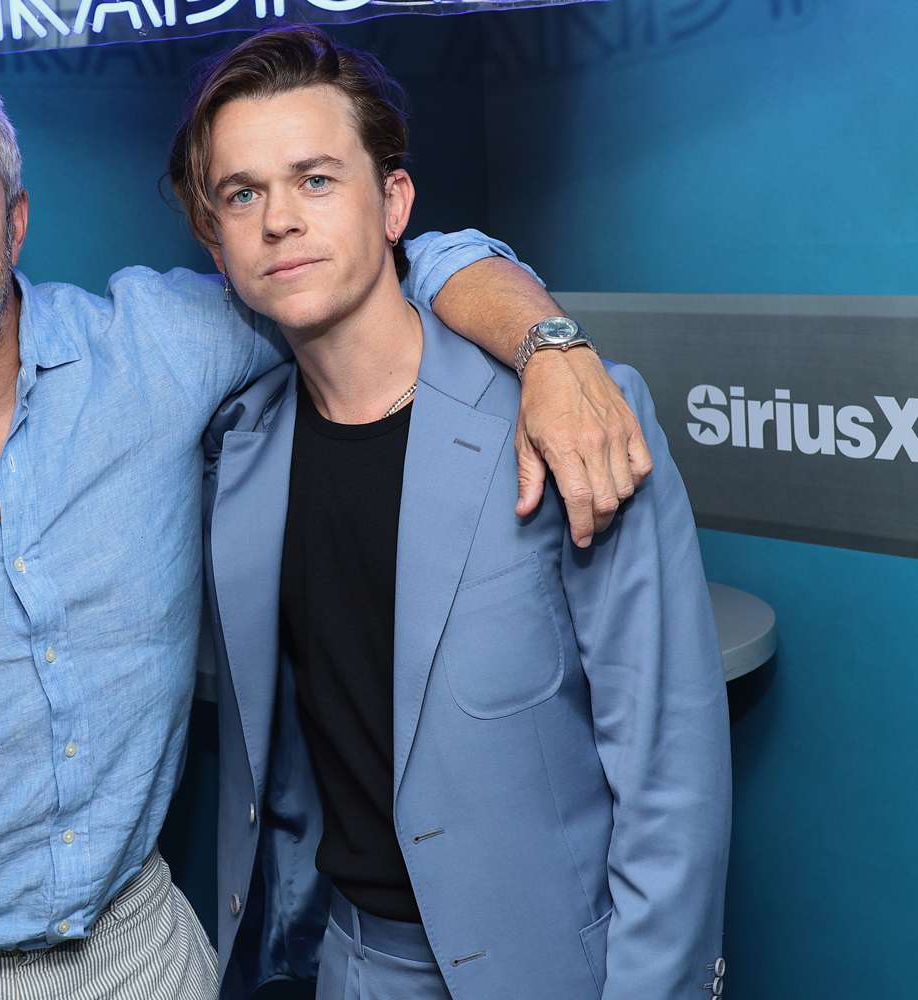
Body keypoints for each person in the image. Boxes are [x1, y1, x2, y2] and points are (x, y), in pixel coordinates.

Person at [0, 59, 649, 1000]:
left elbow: (375, 264)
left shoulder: (157, 349)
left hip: (143, 954)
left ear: (15, 220)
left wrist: (549, 347)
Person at [173, 27, 732, 1000]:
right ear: (215, 237)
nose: (277, 221)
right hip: (350, 962)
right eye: (242, 192)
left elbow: (669, 781)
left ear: (393, 202)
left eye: (315, 179)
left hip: (556, 967)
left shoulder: (569, 415)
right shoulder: (236, 450)